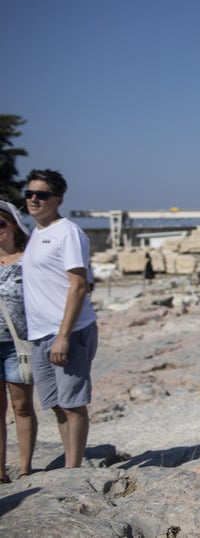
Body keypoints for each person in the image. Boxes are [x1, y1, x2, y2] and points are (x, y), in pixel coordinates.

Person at [22, 169, 99, 468]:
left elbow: (79, 285)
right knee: (55, 403)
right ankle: (70, 462)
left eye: (41, 195)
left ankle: (73, 468)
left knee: (73, 403)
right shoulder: (36, 234)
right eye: (29, 194)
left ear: (58, 199)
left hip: (67, 330)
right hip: (40, 333)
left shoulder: (67, 232)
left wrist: (63, 336)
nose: (33, 200)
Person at [0, 201, 37, 482]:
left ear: (13, 226)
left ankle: (25, 468)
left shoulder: (28, 259)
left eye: (1, 224)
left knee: (22, 407)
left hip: (17, 344)